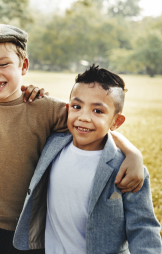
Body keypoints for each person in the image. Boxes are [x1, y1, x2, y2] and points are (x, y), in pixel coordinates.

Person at [0, 24, 145, 254]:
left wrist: (133, 154)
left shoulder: (45, 108)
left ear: (23, 65)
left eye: (3, 64)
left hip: (32, 229)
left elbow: (91, 125)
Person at [13, 65, 162, 253]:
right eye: (77, 107)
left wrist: (133, 155)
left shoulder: (126, 169)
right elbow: (23, 114)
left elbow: (143, 228)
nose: (84, 117)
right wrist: (31, 93)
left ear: (116, 121)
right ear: (68, 109)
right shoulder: (52, 144)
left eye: (98, 111)